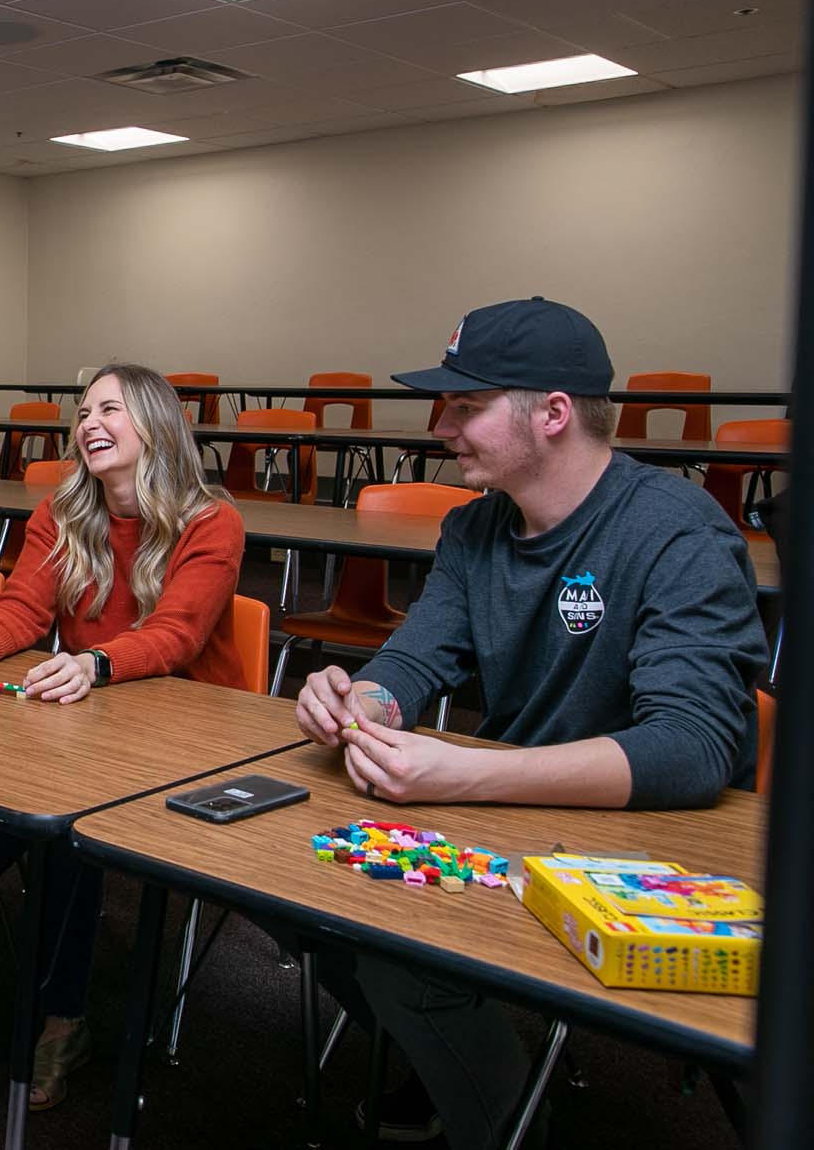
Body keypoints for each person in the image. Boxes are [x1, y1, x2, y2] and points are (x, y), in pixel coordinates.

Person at [293, 297, 767, 1148]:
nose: (442, 426)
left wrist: (463, 773)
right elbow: (414, 661)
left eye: (467, 407)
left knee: (401, 958)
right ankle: (470, 1070)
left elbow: (694, 748)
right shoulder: (473, 528)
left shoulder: (678, 532)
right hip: (512, 818)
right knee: (301, 896)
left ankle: (503, 1115)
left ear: (553, 414)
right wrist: (358, 703)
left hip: (647, 843)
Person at [0, 363, 247, 1111]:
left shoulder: (211, 520)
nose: (88, 423)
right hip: (93, 716)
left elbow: (175, 635)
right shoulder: (64, 512)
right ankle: (62, 1019)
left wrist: (93, 661)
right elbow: (20, 606)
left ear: (156, 425)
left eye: (109, 408)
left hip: (193, 731)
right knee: (54, 804)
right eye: (82, 413)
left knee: (64, 817)